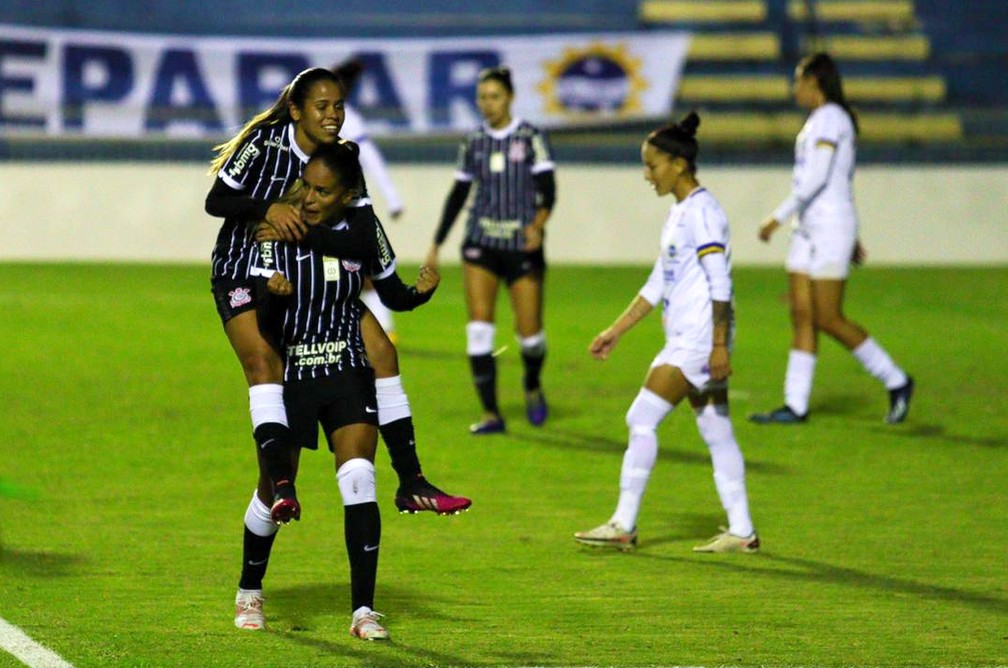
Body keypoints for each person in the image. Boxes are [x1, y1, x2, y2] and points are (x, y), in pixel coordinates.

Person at [205, 67, 470, 522]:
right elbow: (216, 201)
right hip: (243, 272)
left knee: (383, 352)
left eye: (339, 106)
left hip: (310, 278)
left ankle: (411, 481)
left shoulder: (343, 162)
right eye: (322, 107)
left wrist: (400, 291)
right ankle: (281, 488)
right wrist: (268, 207)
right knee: (265, 365)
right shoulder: (264, 145)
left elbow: (368, 233)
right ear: (296, 110)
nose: (333, 116)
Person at [234, 142, 438, 639]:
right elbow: (263, 319)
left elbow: (389, 290)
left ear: (347, 195)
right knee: (273, 491)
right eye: (306, 184)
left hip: (346, 370)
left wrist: (418, 294)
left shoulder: (365, 234)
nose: (309, 197)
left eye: (323, 191)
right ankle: (249, 590)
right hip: (295, 373)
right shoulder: (276, 229)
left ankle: (363, 611)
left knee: (359, 479)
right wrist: (273, 298)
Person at [573, 112, 759, 554]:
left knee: (641, 418)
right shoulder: (681, 214)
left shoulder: (704, 213)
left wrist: (717, 345)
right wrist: (616, 330)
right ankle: (743, 531)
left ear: (678, 164)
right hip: (691, 339)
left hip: (697, 340)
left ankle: (624, 524)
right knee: (716, 428)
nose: (646, 175)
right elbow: (659, 282)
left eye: (652, 165)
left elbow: (722, 283)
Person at [748, 53, 914, 425]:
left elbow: (819, 177)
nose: (795, 89)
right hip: (811, 229)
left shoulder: (831, 119)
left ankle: (897, 380)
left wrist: (776, 217)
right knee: (802, 314)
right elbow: (838, 180)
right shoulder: (818, 121)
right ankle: (795, 404)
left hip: (827, 227)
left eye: (799, 81)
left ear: (815, 83)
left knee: (828, 316)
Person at [425, 66, 556, 434]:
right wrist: (437, 243)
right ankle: (491, 414)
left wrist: (537, 226)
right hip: (480, 242)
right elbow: (458, 195)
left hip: (521, 246)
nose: (487, 104)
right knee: (479, 330)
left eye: (494, 96)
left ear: (510, 98)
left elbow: (549, 190)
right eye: (482, 97)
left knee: (530, 336)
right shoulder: (474, 142)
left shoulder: (530, 137)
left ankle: (531, 381)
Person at [333, 58, 405, 342]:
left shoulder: (348, 119)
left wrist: (392, 197)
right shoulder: (315, 117)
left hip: (347, 208)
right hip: (318, 207)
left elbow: (371, 158)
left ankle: (384, 330)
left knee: (363, 272)